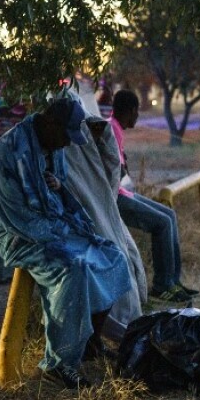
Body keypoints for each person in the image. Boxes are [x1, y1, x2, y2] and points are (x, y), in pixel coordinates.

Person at [0, 97, 133, 390]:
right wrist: (65, 236)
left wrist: (60, 192)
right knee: (72, 268)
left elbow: (59, 190)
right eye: (65, 136)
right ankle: (59, 363)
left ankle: (89, 342)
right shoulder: (8, 153)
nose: (66, 145)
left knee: (112, 256)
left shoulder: (53, 143)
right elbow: (18, 218)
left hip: (54, 224)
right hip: (15, 233)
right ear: (50, 123)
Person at [60, 97, 149, 349]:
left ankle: (98, 338)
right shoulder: (89, 139)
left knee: (122, 254)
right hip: (95, 210)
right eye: (136, 112)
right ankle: (87, 341)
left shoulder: (103, 131)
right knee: (108, 259)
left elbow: (114, 171)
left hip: (110, 201)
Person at [108, 90, 199, 304]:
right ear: (131, 111)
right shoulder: (111, 129)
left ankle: (173, 281)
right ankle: (161, 285)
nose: (138, 117)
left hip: (123, 191)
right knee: (162, 223)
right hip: (115, 197)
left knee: (169, 214)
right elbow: (115, 171)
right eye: (137, 112)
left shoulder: (115, 128)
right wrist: (123, 166)